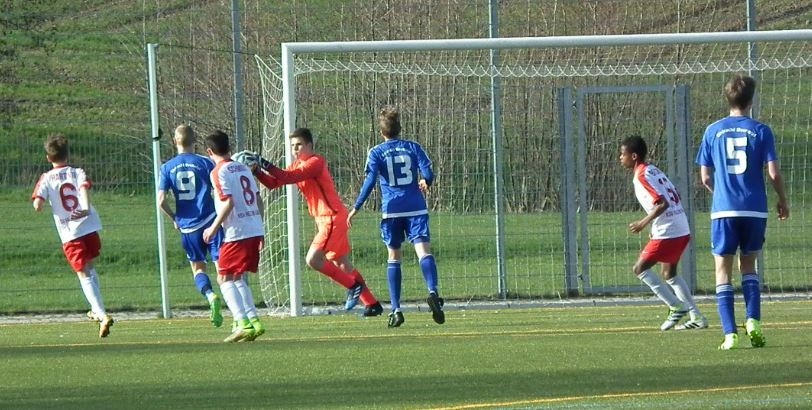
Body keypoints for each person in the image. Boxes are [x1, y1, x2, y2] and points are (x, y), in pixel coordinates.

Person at [696, 74, 789, 350]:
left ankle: (730, 334)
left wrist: (722, 194)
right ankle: (753, 322)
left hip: (724, 211)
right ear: (751, 100)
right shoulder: (761, 131)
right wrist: (783, 199)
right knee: (749, 266)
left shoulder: (712, 131)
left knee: (722, 270)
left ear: (728, 99)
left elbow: (705, 177)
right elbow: (773, 173)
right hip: (755, 210)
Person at [249, 128, 384, 317]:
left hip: (331, 218)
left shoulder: (316, 162)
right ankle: (372, 304)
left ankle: (353, 286)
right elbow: (274, 183)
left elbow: (288, 177)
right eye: (292, 146)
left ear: (310, 145)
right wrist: (257, 171)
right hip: (326, 220)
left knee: (313, 259)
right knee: (342, 263)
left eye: (299, 145)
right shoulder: (297, 164)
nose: (295, 149)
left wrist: (263, 162)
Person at [348, 106, 444, 328]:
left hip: (392, 210)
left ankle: (396, 309)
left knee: (394, 256)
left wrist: (356, 207)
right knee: (423, 251)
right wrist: (426, 181)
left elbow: (370, 181)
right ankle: (433, 292)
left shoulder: (376, 152)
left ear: (381, 131)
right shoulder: (413, 147)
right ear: (399, 129)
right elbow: (428, 172)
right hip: (415, 208)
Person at [619, 135, 707, 331]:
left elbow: (662, 203)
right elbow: (675, 195)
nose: (620, 158)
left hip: (669, 231)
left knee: (640, 268)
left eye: (622, 154)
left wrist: (643, 223)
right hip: (681, 226)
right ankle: (697, 317)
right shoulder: (653, 169)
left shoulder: (641, 175)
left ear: (634, 156)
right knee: (669, 273)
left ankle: (675, 306)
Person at [31, 134, 114, 338]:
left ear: (48, 158)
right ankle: (96, 310)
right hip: (89, 226)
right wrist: (85, 207)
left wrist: (41, 203)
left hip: (70, 232)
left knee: (83, 273)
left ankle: (101, 314)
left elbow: (37, 204)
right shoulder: (77, 172)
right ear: (67, 155)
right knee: (90, 267)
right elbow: (84, 188)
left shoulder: (46, 178)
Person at [203, 130, 267, 343]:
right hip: (254, 228)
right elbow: (258, 199)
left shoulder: (217, 171)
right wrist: (260, 228)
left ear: (209, 151)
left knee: (223, 277)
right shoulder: (244, 168)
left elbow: (228, 202)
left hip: (236, 232)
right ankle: (254, 322)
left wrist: (213, 229)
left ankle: (242, 323)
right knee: (237, 276)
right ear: (229, 147)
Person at [157, 124, 224, 328]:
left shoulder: (166, 168)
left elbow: (161, 200)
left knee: (198, 268)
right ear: (195, 141)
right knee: (222, 270)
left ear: (175, 141)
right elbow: (219, 188)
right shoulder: (205, 162)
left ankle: (210, 295)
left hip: (188, 228)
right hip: (211, 222)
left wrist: (174, 218)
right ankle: (238, 316)